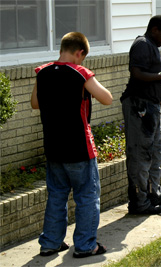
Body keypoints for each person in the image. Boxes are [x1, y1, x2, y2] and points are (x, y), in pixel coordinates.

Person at [31, 32, 113, 258]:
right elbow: (107, 98)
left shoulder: (42, 72)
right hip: (79, 148)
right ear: (79, 53)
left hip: (54, 148)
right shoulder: (80, 73)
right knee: (86, 196)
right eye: (82, 57)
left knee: (56, 195)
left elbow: (35, 103)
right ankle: (86, 246)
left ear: (61, 49)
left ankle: (50, 243)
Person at [120, 15, 161, 215]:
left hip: (151, 106)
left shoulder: (151, 45)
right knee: (140, 155)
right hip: (139, 106)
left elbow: (148, 74)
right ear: (154, 29)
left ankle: (154, 195)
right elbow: (136, 73)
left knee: (154, 154)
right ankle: (139, 202)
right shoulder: (142, 44)